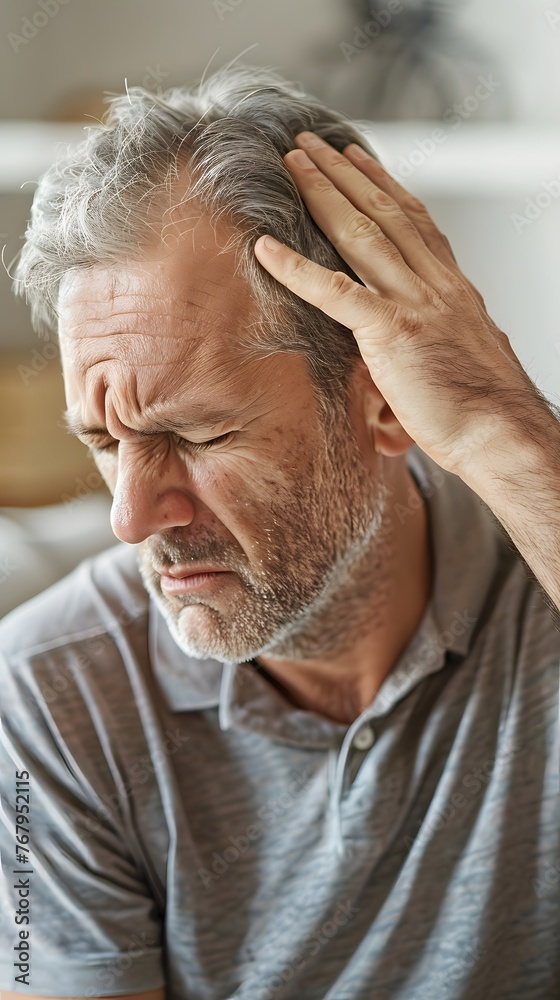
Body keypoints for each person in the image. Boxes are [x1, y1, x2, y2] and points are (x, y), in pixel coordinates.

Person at [0, 63, 559, 1000]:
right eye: (104, 441)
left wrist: (504, 431)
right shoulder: (49, 701)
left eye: (198, 435)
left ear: (384, 400)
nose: (130, 517)